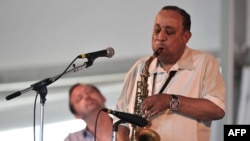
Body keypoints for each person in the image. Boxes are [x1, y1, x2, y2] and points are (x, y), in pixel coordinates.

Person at [114, 5, 226, 141]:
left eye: (169, 32)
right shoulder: (139, 67)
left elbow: (216, 109)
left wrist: (171, 101)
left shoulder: (205, 62)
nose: (160, 37)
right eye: (157, 30)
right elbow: (121, 120)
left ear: (186, 37)